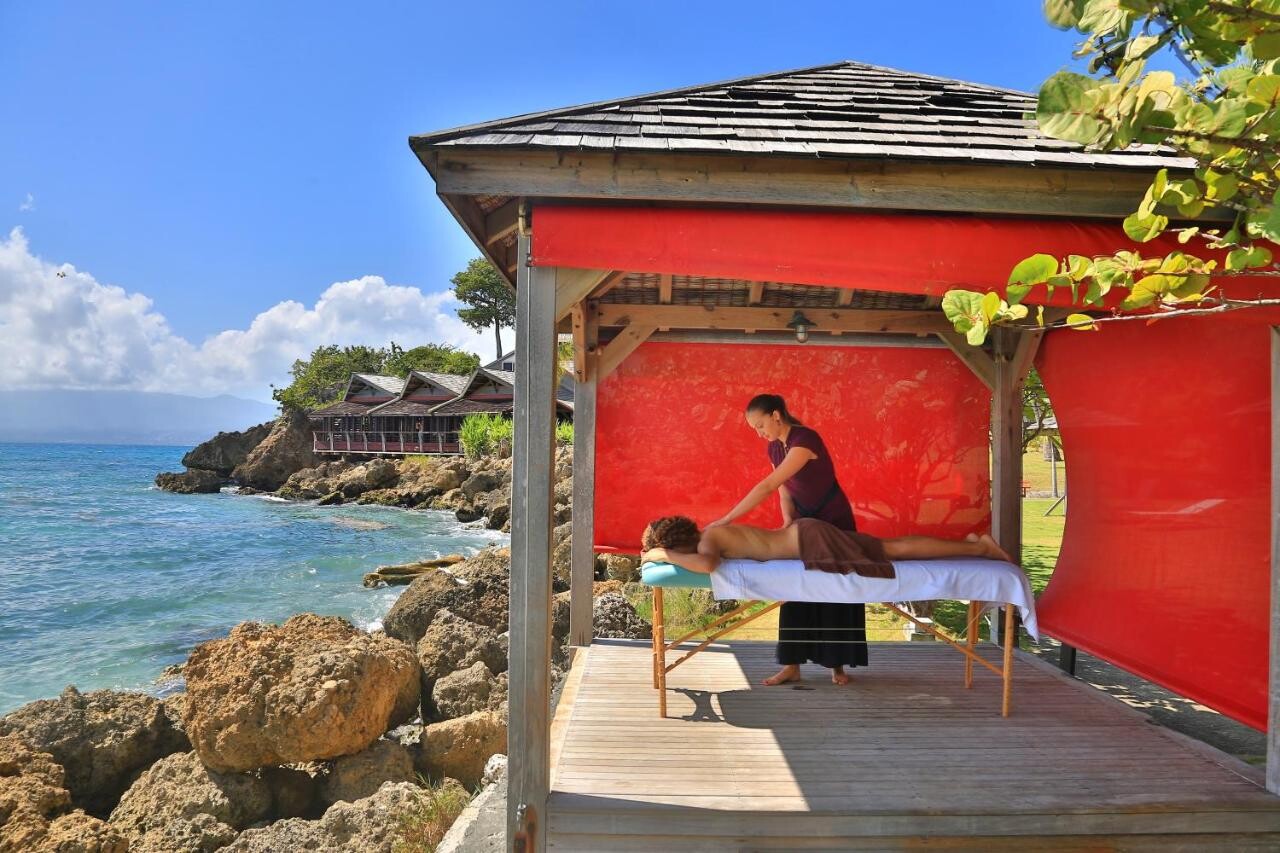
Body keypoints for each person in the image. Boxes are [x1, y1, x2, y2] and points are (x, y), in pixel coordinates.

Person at [704, 394, 863, 686]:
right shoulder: (775, 447)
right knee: (795, 589)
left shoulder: (805, 440)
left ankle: (836, 666)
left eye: (760, 425)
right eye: (754, 428)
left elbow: (767, 486)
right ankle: (791, 665)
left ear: (776, 416)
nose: (759, 433)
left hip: (834, 523)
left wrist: (727, 519)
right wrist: (788, 520)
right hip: (802, 527)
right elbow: (783, 490)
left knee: (834, 592)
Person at [640, 514, 1011, 576]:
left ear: (677, 544)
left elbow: (706, 566)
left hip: (809, 539)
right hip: (807, 536)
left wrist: (661, 555)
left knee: (893, 550)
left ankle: (979, 549)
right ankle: (971, 545)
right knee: (891, 546)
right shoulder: (712, 535)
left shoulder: (710, 540)